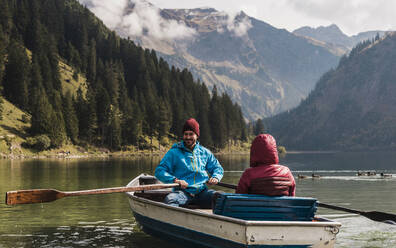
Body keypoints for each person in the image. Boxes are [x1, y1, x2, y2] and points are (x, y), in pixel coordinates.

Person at [155, 118, 224, 208]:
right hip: (182, 193)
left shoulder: (205, 152)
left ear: (197, 135)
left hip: (202, 193)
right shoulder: (173, 153)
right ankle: (177, 221)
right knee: (170, 199)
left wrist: (215, 177)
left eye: (191, 134)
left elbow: (217, 168)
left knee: (221, 197)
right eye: (185, 134)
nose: (188, 137)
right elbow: (159, 171)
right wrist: (176, 180)